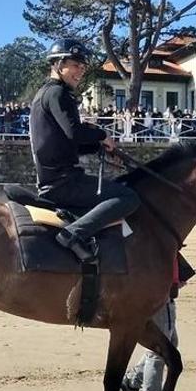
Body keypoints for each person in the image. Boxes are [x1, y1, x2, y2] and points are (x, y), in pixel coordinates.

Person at [29, 38, 140, 262]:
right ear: (59, 64)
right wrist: (102, 135)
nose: (80, 72)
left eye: (83, 67)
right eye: (75, 65)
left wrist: (98, 146)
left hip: (55, 177)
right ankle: (73, 234)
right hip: (63, 182)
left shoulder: (47, 93)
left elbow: (67, 143)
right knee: (128, 197)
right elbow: (74, 133)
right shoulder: (58, 94)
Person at [119, 253, 196, 391]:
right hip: (158, 293)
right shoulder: (154, 229)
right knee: (160, 350)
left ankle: (132, 382)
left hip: (155, 290)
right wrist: (173, 282)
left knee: (169, 344)